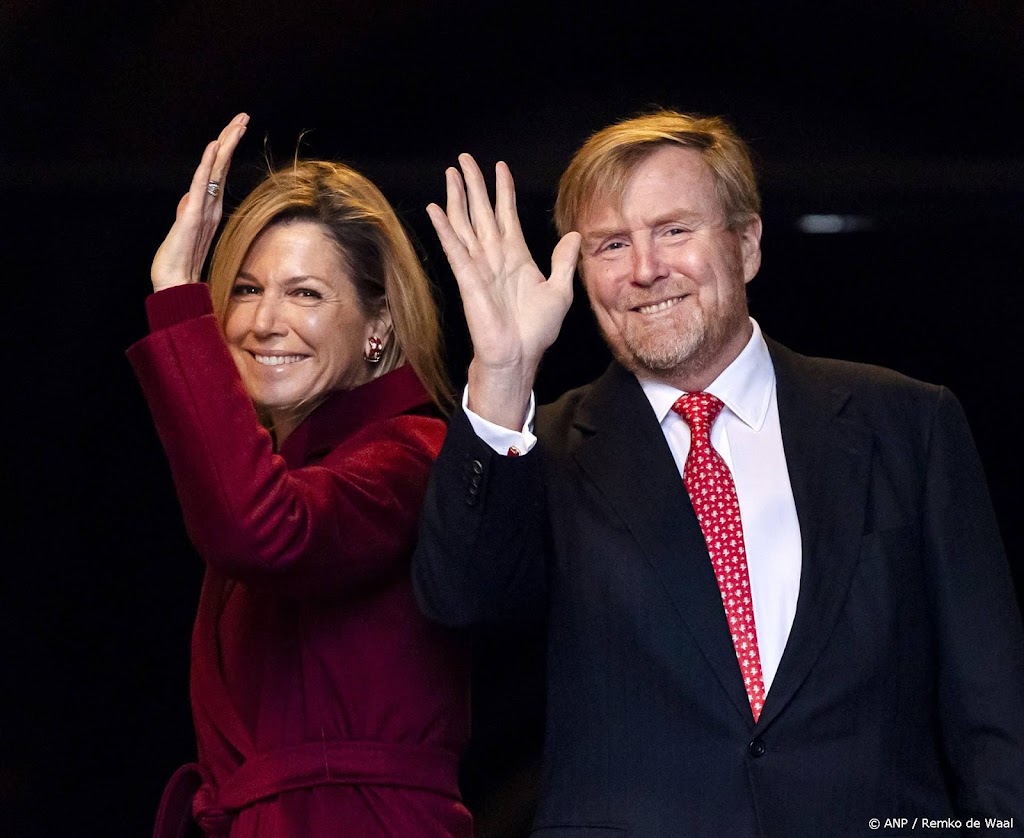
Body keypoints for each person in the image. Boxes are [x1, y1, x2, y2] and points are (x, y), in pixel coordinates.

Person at [412, 109, 1024, 836]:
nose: (645, 269)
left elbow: (995, 708)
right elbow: (460, 600)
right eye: (612, 244)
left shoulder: (907, 424)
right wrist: (504, 372)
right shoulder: (540, 451)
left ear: (747, 244)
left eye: (674, 230)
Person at [128, 113, 472, 837]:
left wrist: (175, 293)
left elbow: (263, 532)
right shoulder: (286, 466)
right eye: (245, 290)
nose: (264, 322)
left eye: (306, 293)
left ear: (379, 324)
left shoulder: (411, 453)